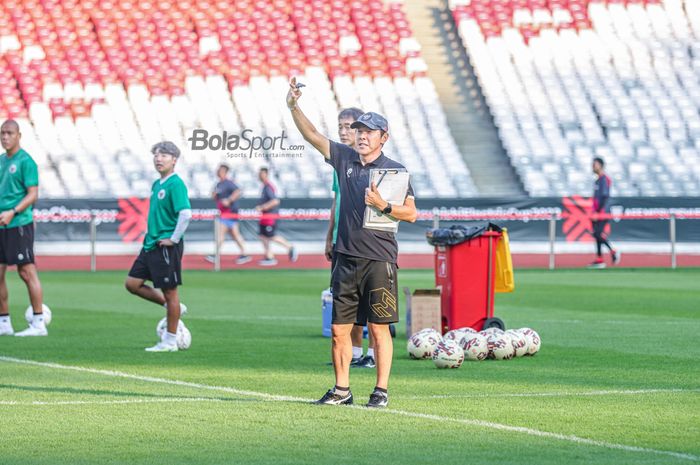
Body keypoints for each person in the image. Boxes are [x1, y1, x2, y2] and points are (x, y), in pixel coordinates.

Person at [287, 77, 417, 408]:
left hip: (379, 260)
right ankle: (341, 390)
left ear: (383, 138)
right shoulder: (343, 158)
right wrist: (293, 106)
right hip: (345, 259)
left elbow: (412, 214)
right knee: (339, 330)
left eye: (368, 131)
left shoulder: (394, 171)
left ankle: (381, 391)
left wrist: (384, 206)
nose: (360, 135)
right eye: (358, 130)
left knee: (379, 329)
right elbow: (312, 135)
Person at [125, 141, 191, 352]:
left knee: (170, 291)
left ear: (174, 160)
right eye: (156, 155)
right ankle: (172, 308)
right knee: (132, 284)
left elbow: (185, 213)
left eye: (164, 155)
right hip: (150, 244)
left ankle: (170, 341)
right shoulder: (157, 184)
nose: (158, 158)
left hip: (165, 246)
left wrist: (174, 238)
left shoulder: (176, 184)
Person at [326, 107, 376, 369]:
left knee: (372, 304)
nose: (344, 130)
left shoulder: (367, 163)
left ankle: (373, 353)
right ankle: (355, 353)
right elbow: (337, 201)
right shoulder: (340, 161)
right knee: (348, 304)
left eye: (349, 126)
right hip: (341, 241)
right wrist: (329, 237)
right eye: (341, 125)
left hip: (365, 244)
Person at [0, 119, 47, 337]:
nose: (5, 137)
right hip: (2, 223)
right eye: (2, 133)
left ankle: (38, 323)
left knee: (26, 271)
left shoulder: (26, 161)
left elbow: (33, 193)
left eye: (9, 133)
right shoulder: (1, 161)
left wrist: (13, 211)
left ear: (19, 135)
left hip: (19, 223)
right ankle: (4, 323)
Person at [207, 164, 251, 265]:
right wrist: (214, 196)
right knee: (235, 235)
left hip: (229, 213)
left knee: (220, 234)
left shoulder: (228, 183)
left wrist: (229, 200)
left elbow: (238, 191)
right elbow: (215, 196)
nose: (218, 172)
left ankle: (216, 255)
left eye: (220, 170)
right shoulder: (219, 184)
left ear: (225, 172)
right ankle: (245, 253)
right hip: (224, 213)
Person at [256, 167, 297, 266]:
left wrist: (262, 207)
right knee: (262, 236)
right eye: (259, 174)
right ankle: (269, 256)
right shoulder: (264, 187)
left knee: (271, 236)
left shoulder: (269, 186)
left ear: (266, 174)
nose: (260, 176)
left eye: (262, 174)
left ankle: (290, 247)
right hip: (264, 217)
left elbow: (275, 201)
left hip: (269, 217)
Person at [589, 157, 620, 269]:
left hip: (603, 212)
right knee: (596, 235)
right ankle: (599, 259)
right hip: (597, 212)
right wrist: (593, 212)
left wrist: (600, 212)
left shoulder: (604, 179)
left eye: (595, 164)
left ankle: (612, 251)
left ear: (601, 165)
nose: (593, 167)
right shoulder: (597, 180)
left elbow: (605, 197)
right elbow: (596, 199)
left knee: (598, 234)